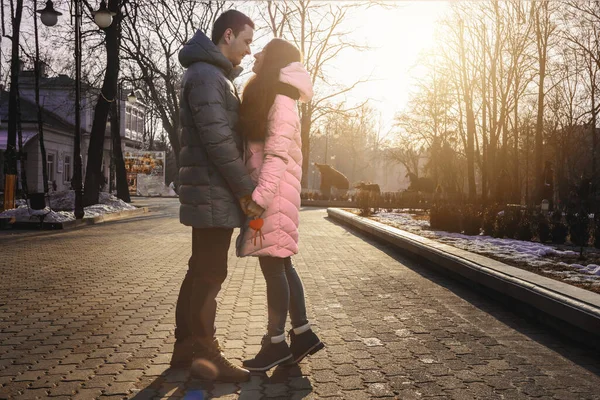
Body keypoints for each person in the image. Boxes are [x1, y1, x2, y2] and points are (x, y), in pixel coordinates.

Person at [173, 9, 261, 382]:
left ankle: (184, 349)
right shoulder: (208, 76)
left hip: (210, 190)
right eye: (245, 41)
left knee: (199, 271)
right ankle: (206, 355)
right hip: (213, 191)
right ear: (228, 35)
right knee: (210, 273)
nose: (247, 50)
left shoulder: (211, 75)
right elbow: (219, 142)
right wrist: (245, 189)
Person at [237, 38, 324, 372]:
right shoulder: (276, 96)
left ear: (273, 60)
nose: (255, 54)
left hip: (270, 196)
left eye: (263, 50)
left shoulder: (282, 100)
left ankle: (276, 343)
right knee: (283, 265)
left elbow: (275, 155)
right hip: (274, 194)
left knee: (274, 268)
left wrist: (258, 200)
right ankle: (302, 333)